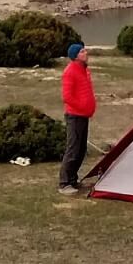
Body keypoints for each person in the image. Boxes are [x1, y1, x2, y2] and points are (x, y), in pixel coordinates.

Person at [59, 42, 95, 196]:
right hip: (75, 116)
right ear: (75, 56)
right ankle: (64, 183)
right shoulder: (70, 71)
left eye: (84, 50)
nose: (85, 53)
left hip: (84, 115)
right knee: (73, 149)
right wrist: (82, 107)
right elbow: (67, 97)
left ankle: (73, 179)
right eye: (82, 51)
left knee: (81, 150)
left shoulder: (84, 70)